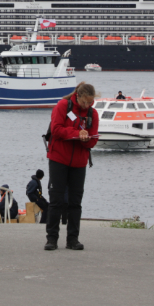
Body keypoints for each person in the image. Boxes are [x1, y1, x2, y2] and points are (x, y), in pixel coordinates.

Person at [45, 82, 99, 251]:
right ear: (78, 96)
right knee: (56, 201)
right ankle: (52, 239)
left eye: (90, 102)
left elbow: (93, 139)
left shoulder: (93, 113)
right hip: (59, 159)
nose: (87, 105)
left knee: (75, 202)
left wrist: (87, 139)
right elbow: (56, 130)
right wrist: (77, 134)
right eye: (84, 102)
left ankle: (72, 239)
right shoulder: (63, 105)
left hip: (79, 162)